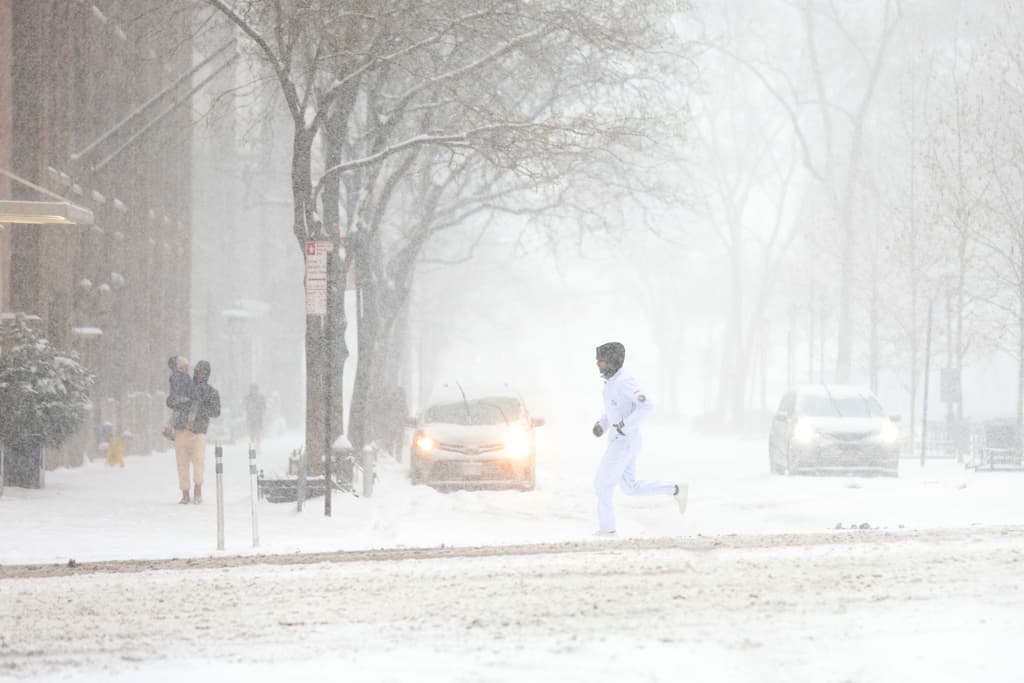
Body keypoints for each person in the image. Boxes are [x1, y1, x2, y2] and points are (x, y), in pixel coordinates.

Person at [591, 341, 687, 535]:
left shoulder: (625, 381)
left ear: (613, 361)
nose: (598, 366)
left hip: (625, 441)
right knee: (630, 487)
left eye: (601, 362)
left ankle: (607, 530)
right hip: (621, 440)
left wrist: (626, 425)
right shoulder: (611, 382)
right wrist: (602, 424)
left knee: (602, 483)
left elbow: (647, 405)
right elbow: (615, 410)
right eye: (597, 363)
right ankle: (676, 489)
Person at [169, 360, 221, 504]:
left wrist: (200, 409)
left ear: (208, 374)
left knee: (198, 461)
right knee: (181, 463)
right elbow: (170, 401)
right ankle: (185, 493)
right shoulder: (185, 387)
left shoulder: (211, 392)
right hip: (181, 430)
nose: (199, 375)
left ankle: (198, 489)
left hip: (198, 432)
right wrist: (180, 402)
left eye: (203, 373)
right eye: (197, 372)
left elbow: (216, 411)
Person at [162, 356, 191, 442]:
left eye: (187, 367)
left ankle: (171, 430)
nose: (187, 368)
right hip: (179, 398)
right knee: (178, 413)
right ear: (180, 367)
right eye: (185, 366)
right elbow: (177, 388)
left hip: (182, 398)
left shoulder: (184, 376)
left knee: (177, 413)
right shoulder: (177, 376)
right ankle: (170, 430)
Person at [243, 383, 267, 447]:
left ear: (257, 390)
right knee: (252, 433)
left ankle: (258, 445)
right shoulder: (247, 398)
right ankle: (253, 445)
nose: (253, 391)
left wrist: (260, 412)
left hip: (259, 418)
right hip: (250, 418)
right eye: (252, 389)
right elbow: (245, 407)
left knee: (258, 432)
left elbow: (264, 407)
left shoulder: (261, 397)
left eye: (255, 389)